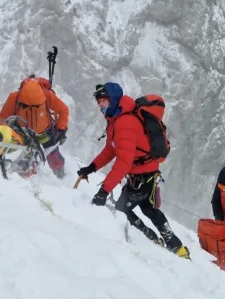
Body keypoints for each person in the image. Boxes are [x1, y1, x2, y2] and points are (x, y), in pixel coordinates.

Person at [77, 82, 190, 259]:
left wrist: (104, 191)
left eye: (104, 102)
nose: (101, 107)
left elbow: (123, 162)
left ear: (113, 101)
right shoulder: (116, 120)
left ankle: (150, 238)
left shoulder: (125, 123)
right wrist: (91, 168)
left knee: (122, 209)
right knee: (148, 209)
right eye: (99, 103)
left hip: (142, 176)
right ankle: (176, 247)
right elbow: (110, 150)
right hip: (147, 175)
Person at [0, 75, 69, 178]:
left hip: (45, 133)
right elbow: (3, 118)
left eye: (36, 106)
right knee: (23, 161)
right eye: (27, 106)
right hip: (22, 134)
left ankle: (61, 176)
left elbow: (63, 110)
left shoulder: (48, 96)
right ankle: (26, 181)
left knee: (54, 159)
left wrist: (61, 129)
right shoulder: (14, 98)